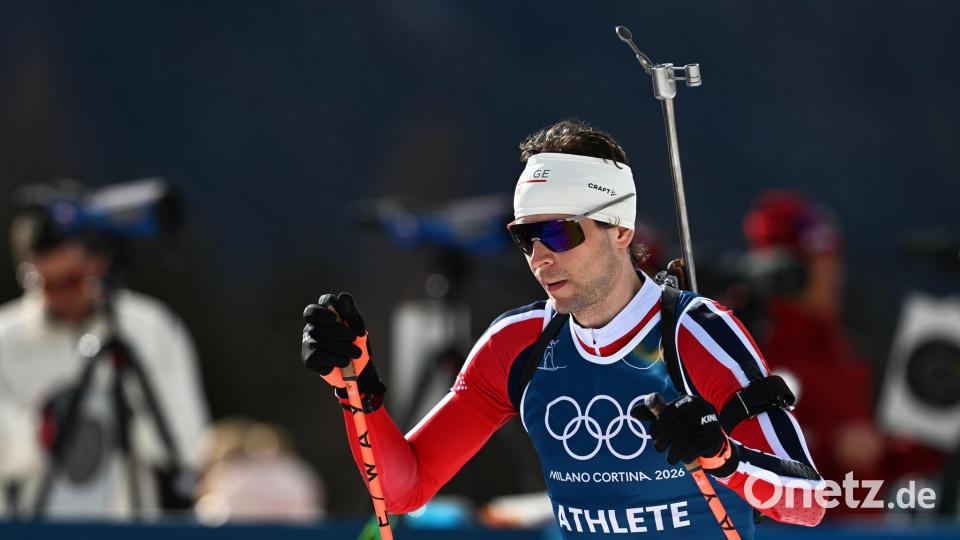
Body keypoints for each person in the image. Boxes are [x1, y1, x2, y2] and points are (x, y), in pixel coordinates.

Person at [301, 120, 827, 538]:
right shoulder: (517, 345)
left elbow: (809, 502)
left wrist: (726, 459)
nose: (540, 257)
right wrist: (357, 390)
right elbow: (405, 489)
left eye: (559, 231)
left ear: (620, 229)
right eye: (526, 236)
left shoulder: (695, 333)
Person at [0, 202, 209, 519]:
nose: (61, 296)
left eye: (72, 280)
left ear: (98, 264)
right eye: (44, 284)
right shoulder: (6, 338)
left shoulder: (148, 328)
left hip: (127, 523)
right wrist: (39, 431)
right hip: (29, 525)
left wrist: (125, 407)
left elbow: (190, 443)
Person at [741, 190, 944, 516]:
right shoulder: (750, 353)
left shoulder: (848, 354)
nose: (831, 276)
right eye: (817, 264)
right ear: (786, 271)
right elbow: (738, 450)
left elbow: (876, 464)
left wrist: (936, 438)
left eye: (832, 263)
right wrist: (829, 444)